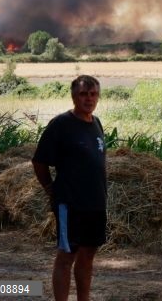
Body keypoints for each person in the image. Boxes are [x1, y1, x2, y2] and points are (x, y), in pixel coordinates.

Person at [32, 75, 107, 301]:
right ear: (74, 96)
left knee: (88, 254)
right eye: (83, 94)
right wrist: (50, 189)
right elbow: (39, 162)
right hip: (70, 203)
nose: (89, 99)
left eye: (93, 94)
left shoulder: (96, 123)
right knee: (67, 255)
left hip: (96, 202)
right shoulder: (61, 125)